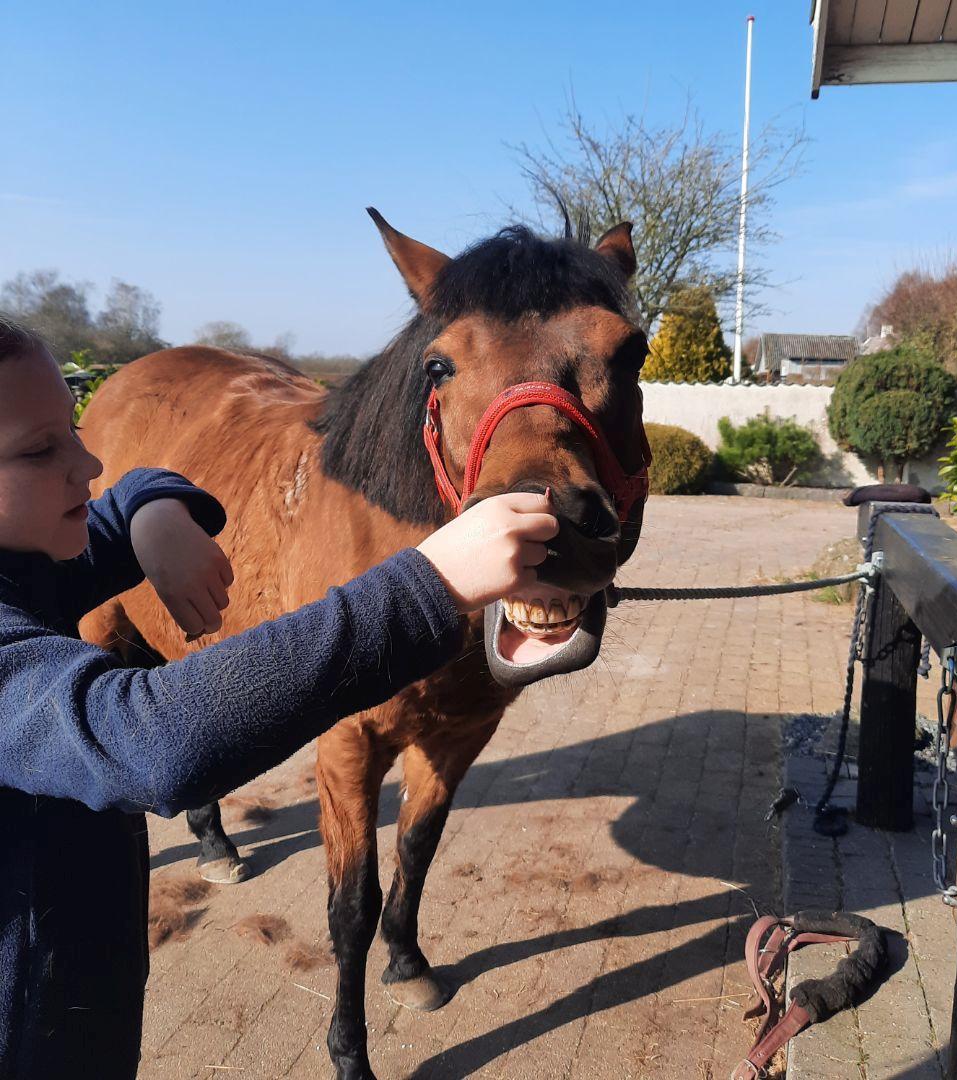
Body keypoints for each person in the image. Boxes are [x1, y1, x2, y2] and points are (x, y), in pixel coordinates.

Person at [0, 316, 559, 1079]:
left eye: (73, 427)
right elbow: (150, 741)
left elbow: (128, 486)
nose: (88, 459)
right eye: (41, 450)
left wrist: (152, 511)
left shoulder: (27, 558)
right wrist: (432, 584)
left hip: (85, 992)